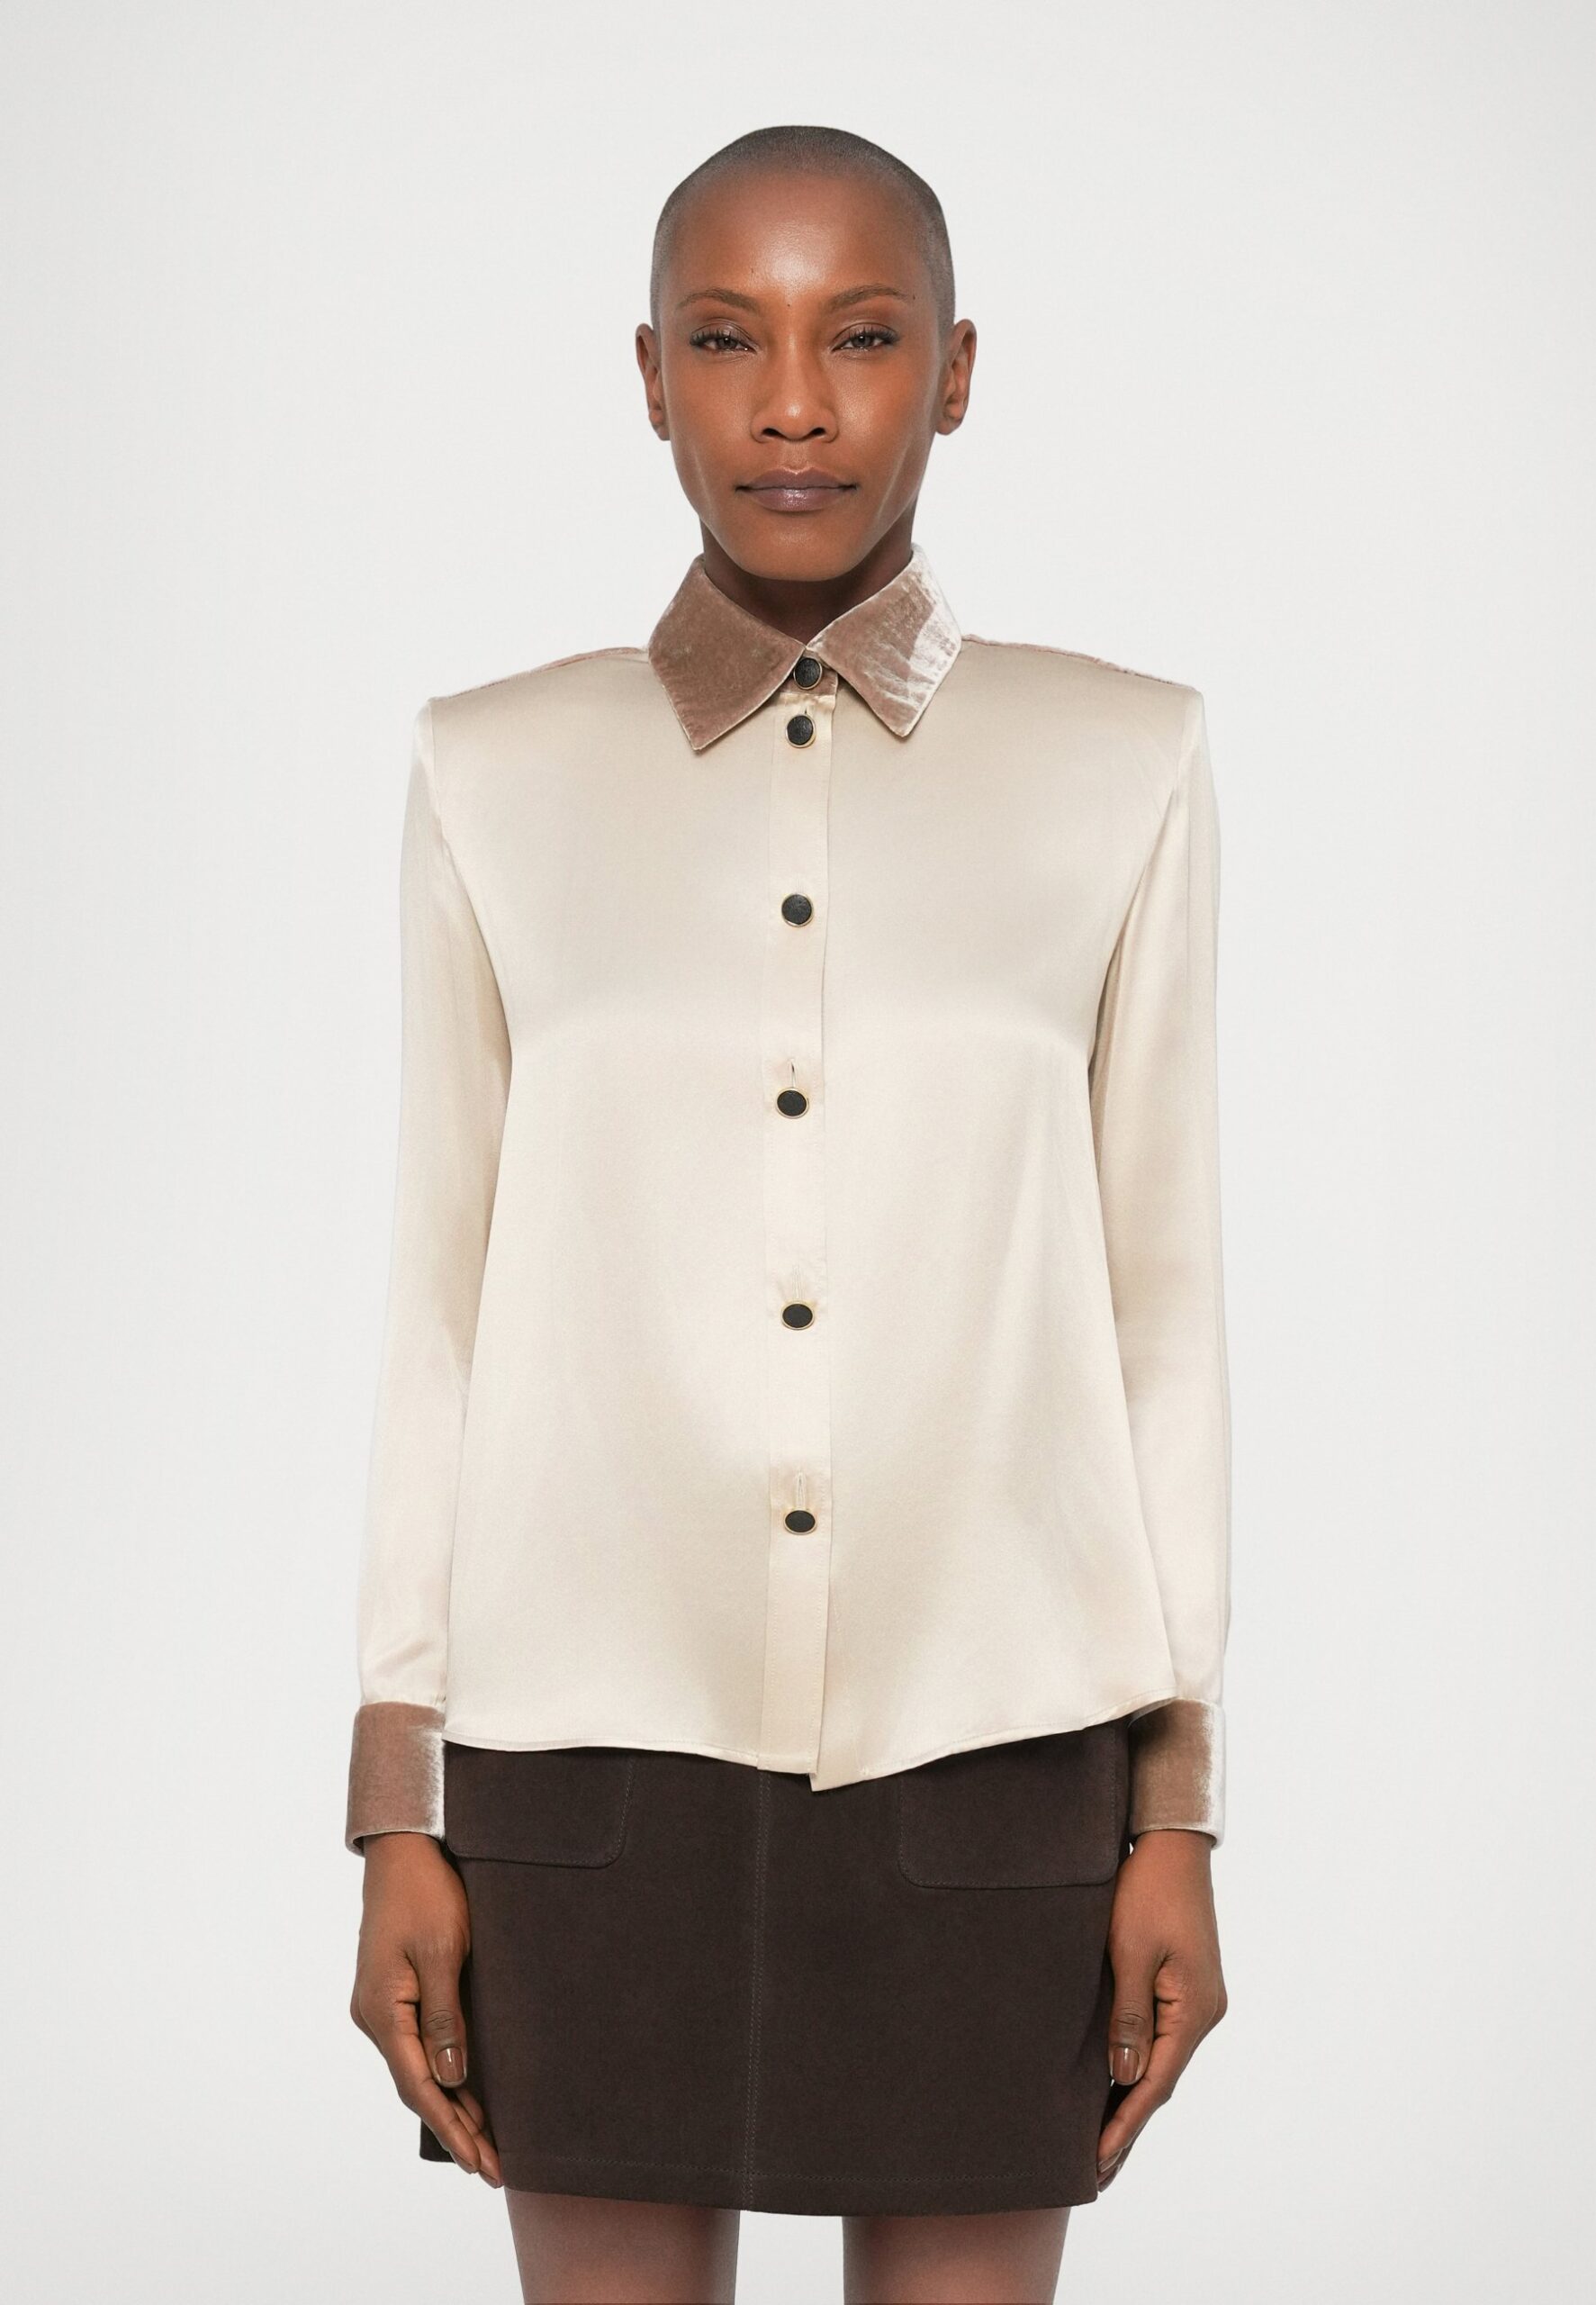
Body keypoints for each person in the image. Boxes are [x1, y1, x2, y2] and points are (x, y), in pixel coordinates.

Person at [347, 122, 1231, 2305]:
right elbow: (437, 1307)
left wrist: (1175, 1805)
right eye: (729, 339)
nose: (795, 404)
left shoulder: (1123, 762)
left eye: (862, 335)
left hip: (995, 1752)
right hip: (582, 1757)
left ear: (956, 371)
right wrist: (393, 1799)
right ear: (650, 375)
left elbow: (1160, 1308)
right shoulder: (490, 771)